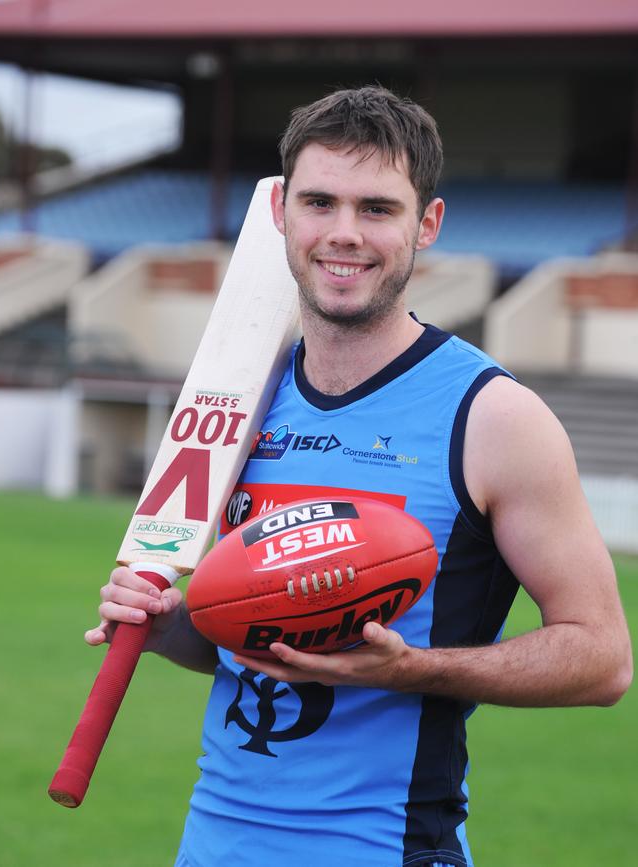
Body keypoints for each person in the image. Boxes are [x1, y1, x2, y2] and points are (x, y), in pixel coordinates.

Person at [86, 86, 633, 867]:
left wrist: (415, 668)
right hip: (215, 842)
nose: (344, 234)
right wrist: (168, 621)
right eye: (319, 202)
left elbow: (604, 656)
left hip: (386, 846)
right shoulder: (235, 396)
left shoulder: (495, 418)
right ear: (281, 216)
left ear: (427, 225)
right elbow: (243, 638)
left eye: (377, 208)